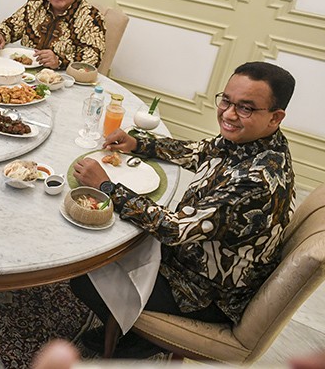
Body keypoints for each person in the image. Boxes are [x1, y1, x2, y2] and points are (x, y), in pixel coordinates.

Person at [70, 61, 296, 357]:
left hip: (205, 291)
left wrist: (107, 186)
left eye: (246, 108)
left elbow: (173, 229)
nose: (228, 114)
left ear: (275, 117)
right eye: (226, 100)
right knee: (106, 241)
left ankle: (141, 341)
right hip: (197, 258)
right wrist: (139, 143)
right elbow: (199, 151)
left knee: (83, 276)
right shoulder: (256, 141)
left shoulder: (255, 181)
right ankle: (135, 328)